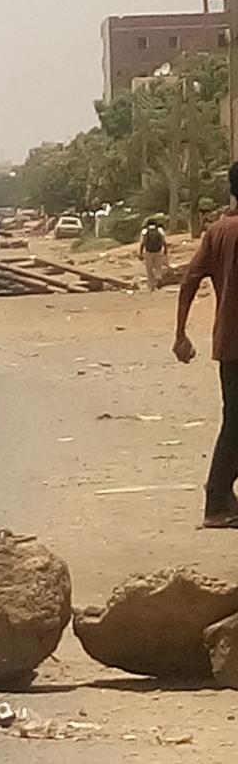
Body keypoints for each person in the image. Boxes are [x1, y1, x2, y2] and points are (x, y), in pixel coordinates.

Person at [175, 165, 238, 527]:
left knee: (235, 418)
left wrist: (180, 333)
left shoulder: (216, 231)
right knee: (237, 422)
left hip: (228, 341)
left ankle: (222, 497)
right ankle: (217, 498)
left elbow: (189, 280)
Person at [141, 220, 170, 291]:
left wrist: (141, 252)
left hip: (148, 252)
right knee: (158, 267)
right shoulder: (160, 231)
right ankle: (158, 278)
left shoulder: (145, 231)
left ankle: (151, 285)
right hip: (158, 251)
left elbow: (143, 243)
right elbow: (164, 242)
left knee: (149, 269)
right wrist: (165, 250)